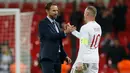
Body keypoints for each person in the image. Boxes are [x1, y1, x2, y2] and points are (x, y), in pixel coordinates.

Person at [38, 2, 72, 73]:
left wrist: (65, 55)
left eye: (57, 11)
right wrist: (65, 32)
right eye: (53, 11)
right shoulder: (43, 23)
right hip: (48, 58)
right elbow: (51, 36)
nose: (56, 12)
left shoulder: (57, 24)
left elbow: (59, 42)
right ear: (47, 11)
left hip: (57, 58)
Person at [69, 6, 102, 73]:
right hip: (95, 60)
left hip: (85, 60)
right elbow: (87, 39)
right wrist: (73, 32)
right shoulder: (98, 27)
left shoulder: (85, 27)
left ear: (86, 14)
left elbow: (84, 44)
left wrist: (80, 61)